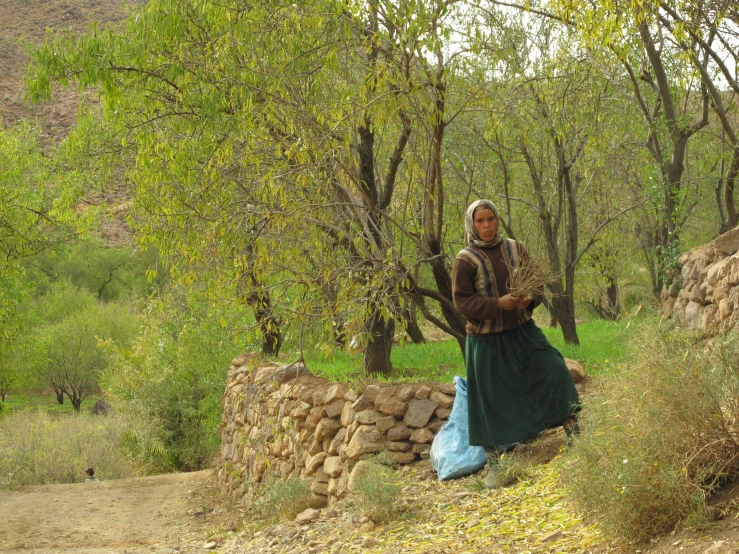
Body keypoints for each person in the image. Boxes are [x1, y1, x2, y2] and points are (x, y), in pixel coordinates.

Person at [452, 199, 580, 489]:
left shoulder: (514, 248)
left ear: (498, 220)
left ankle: (575, 436)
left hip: (523, 332)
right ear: (472, 225)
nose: (486, 226)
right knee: (489, 399)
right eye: (480, 221)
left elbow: (535, 283)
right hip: (486, 342)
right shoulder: (465, 259)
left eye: (491, 219)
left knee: (554, 369)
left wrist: (529, 299)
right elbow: (463, 301)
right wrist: (498, 303)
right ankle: (496, 464)